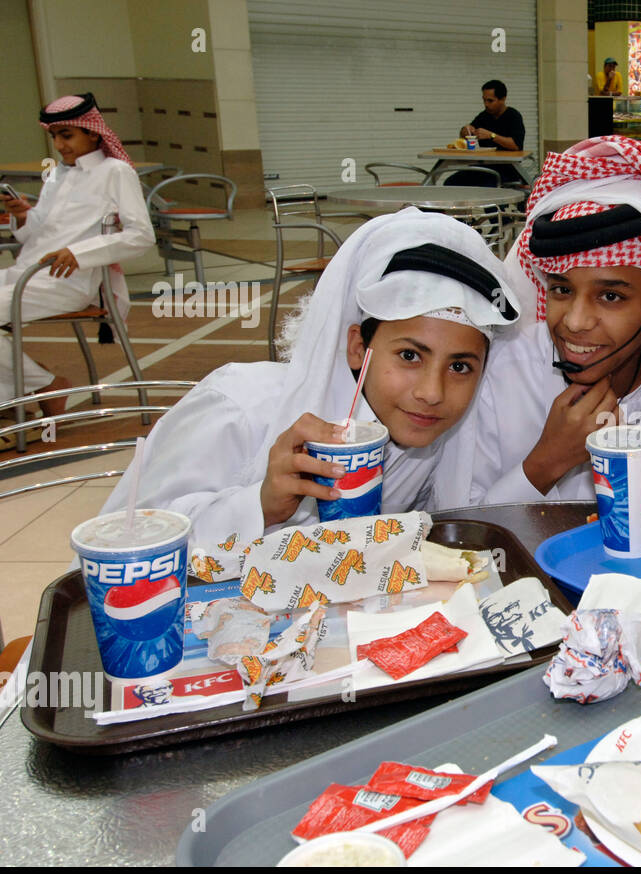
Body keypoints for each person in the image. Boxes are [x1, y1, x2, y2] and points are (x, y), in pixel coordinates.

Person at [98, 208, 520, 563]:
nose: (432, 392)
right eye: (410, 356)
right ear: (358, 347)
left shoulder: (430, 443)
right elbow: (119, 547)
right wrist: (260, 505)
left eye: (461, 366)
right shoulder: (239, 406)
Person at [440, 135, 641, 505]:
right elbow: (459, 528)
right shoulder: (502, 371)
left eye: (610, 296)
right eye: (561, 290)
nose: (574, 321)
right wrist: (546, 462)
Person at [0, 92, 154, 416]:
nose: (59, 145)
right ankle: (38, 383)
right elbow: (38, 233)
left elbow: (141, 236)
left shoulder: (116, 172)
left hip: (69, 282)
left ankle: (37, 388)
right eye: (54, 136)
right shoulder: (58, 173)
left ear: (93, 132)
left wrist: (79, 252)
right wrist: (24, 214)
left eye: (66, 135)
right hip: (27, 272)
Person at [460, 80, 525, 152]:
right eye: (484, 100)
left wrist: (491, 136)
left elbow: (516, 145)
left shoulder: (514, 116)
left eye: (490, 101)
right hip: (485, 161)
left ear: (503, 99)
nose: (486, 104)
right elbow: (466, 134)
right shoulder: (483, 116)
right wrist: (465, 131)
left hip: (507, 162)